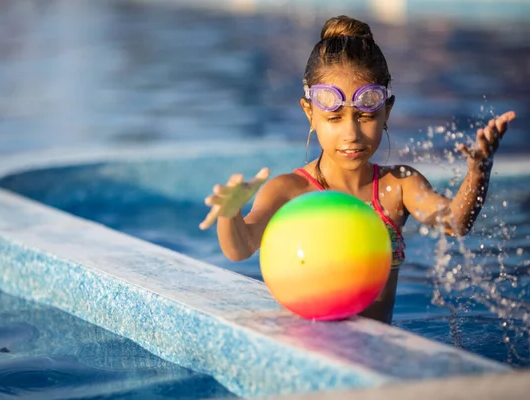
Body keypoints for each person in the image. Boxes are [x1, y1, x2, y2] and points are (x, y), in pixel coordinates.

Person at [198, 15, 516, 323]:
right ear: (310, 113)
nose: (351, 134)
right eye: (334, 119)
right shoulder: (289, 191)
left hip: (376, 356)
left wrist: (478, 171)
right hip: (307, 353)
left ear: (386, 112)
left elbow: (454, 223)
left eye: (365, 118)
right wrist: (230, 213)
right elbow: (240, 249)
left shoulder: (398, 186)